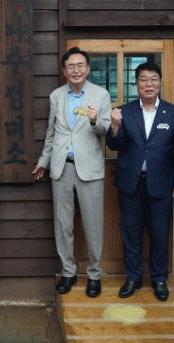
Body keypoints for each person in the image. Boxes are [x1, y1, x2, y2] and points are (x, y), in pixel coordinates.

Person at [32, 47, 111, 298]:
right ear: (64, 71)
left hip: (90, 169)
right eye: (71, 66)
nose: (76, 70)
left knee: (93, 225)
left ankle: (94, 274)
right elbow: (52, 132)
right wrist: (44, 161)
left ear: (88, 69)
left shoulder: (101, 94)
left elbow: (106, 130)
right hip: (61, 167)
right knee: (62, 223)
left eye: (80, 65)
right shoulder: (56, 96)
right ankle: (68, 271)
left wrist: (95, 120)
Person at [106, 62, 174, 301]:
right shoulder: (125, 111)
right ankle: (133, 277)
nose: (149, 84)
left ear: (160, 83)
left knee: (159, 235)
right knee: (131, 233)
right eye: (143, 79)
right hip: (131, 184)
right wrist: (115, 126)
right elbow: (114, 145)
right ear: (136, 83)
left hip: (161, 184)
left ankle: (159, 278)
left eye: (153, 79)